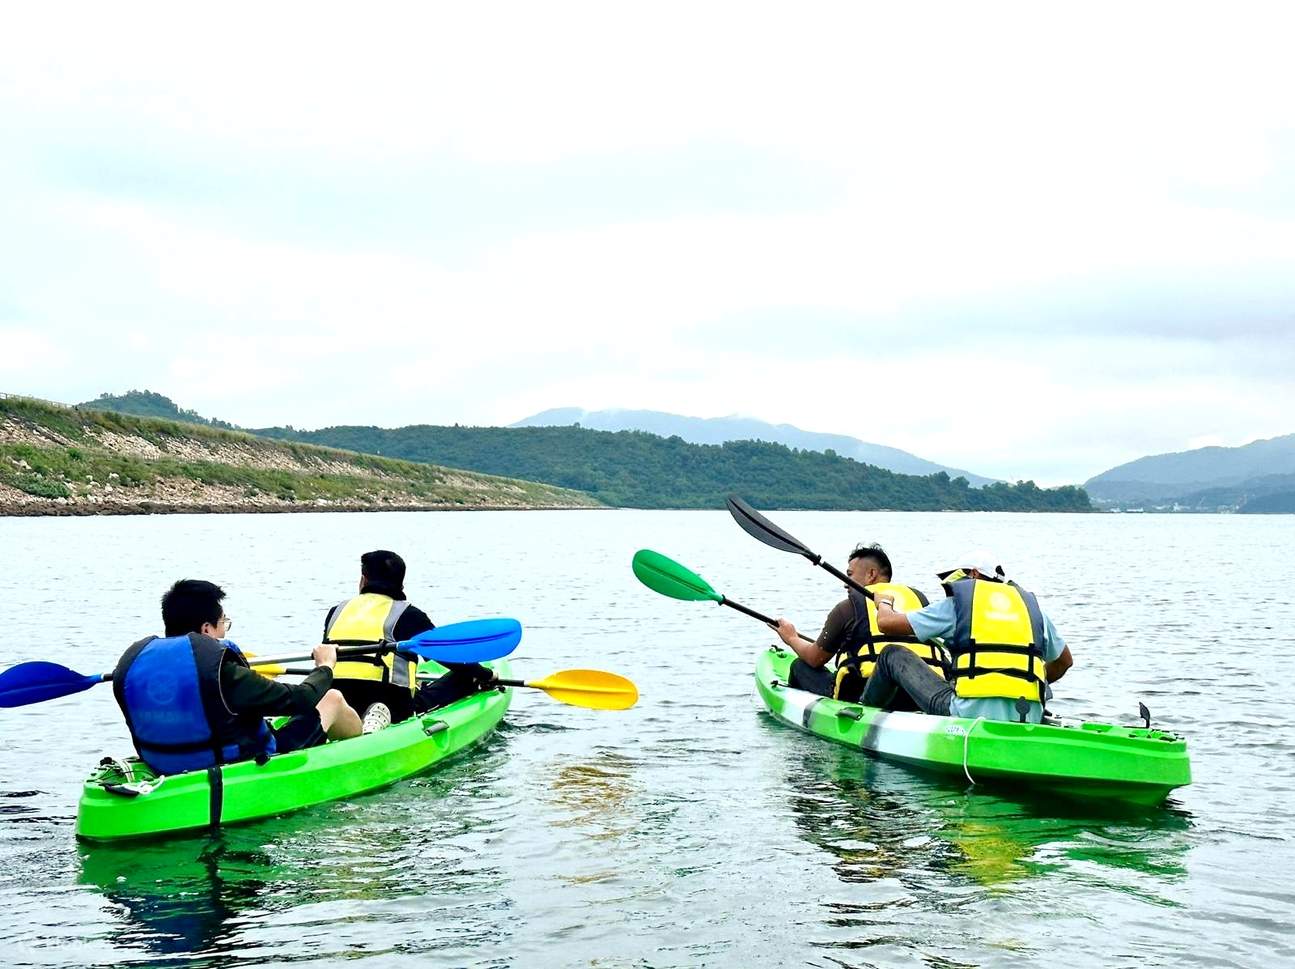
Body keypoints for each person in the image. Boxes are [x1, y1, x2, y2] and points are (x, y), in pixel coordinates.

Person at [113, 580, 362, 775]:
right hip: (240, 763)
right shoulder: (222, 672)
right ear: (207, 628)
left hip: (165, 763)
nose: (225, 631)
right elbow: (301, 699)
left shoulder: (135, 666)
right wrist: (325, 666)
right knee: (332, 698)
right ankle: (367, 744)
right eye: (223, 623)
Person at [868, 552, 1074, 723]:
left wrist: (884, 602)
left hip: (968, 714)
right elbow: (1064, 662)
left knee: (891, 654)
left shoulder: (957, 606)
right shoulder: (1033, 611)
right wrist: (1026, 681)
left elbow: (886, 623)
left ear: (974, 574)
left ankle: (863, 715)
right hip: (1028, 714)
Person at [322, 550, 492, 731]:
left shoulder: (336, 611)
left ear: (363, 580)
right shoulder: (409, 615)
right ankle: (384, 717)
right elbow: (450, 659)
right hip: (391, 703)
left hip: (338, 701)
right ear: (401, 584)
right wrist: (485, 675)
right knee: (466, 677)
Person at [773, 544, 946, 704]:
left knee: (800, 666)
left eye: (849, 575)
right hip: (918, 694)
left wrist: (791, 638)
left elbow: (814, 659)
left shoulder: (847, 608)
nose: (845, 583)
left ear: (871, 574)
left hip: (863, 695)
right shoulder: (920, 602)